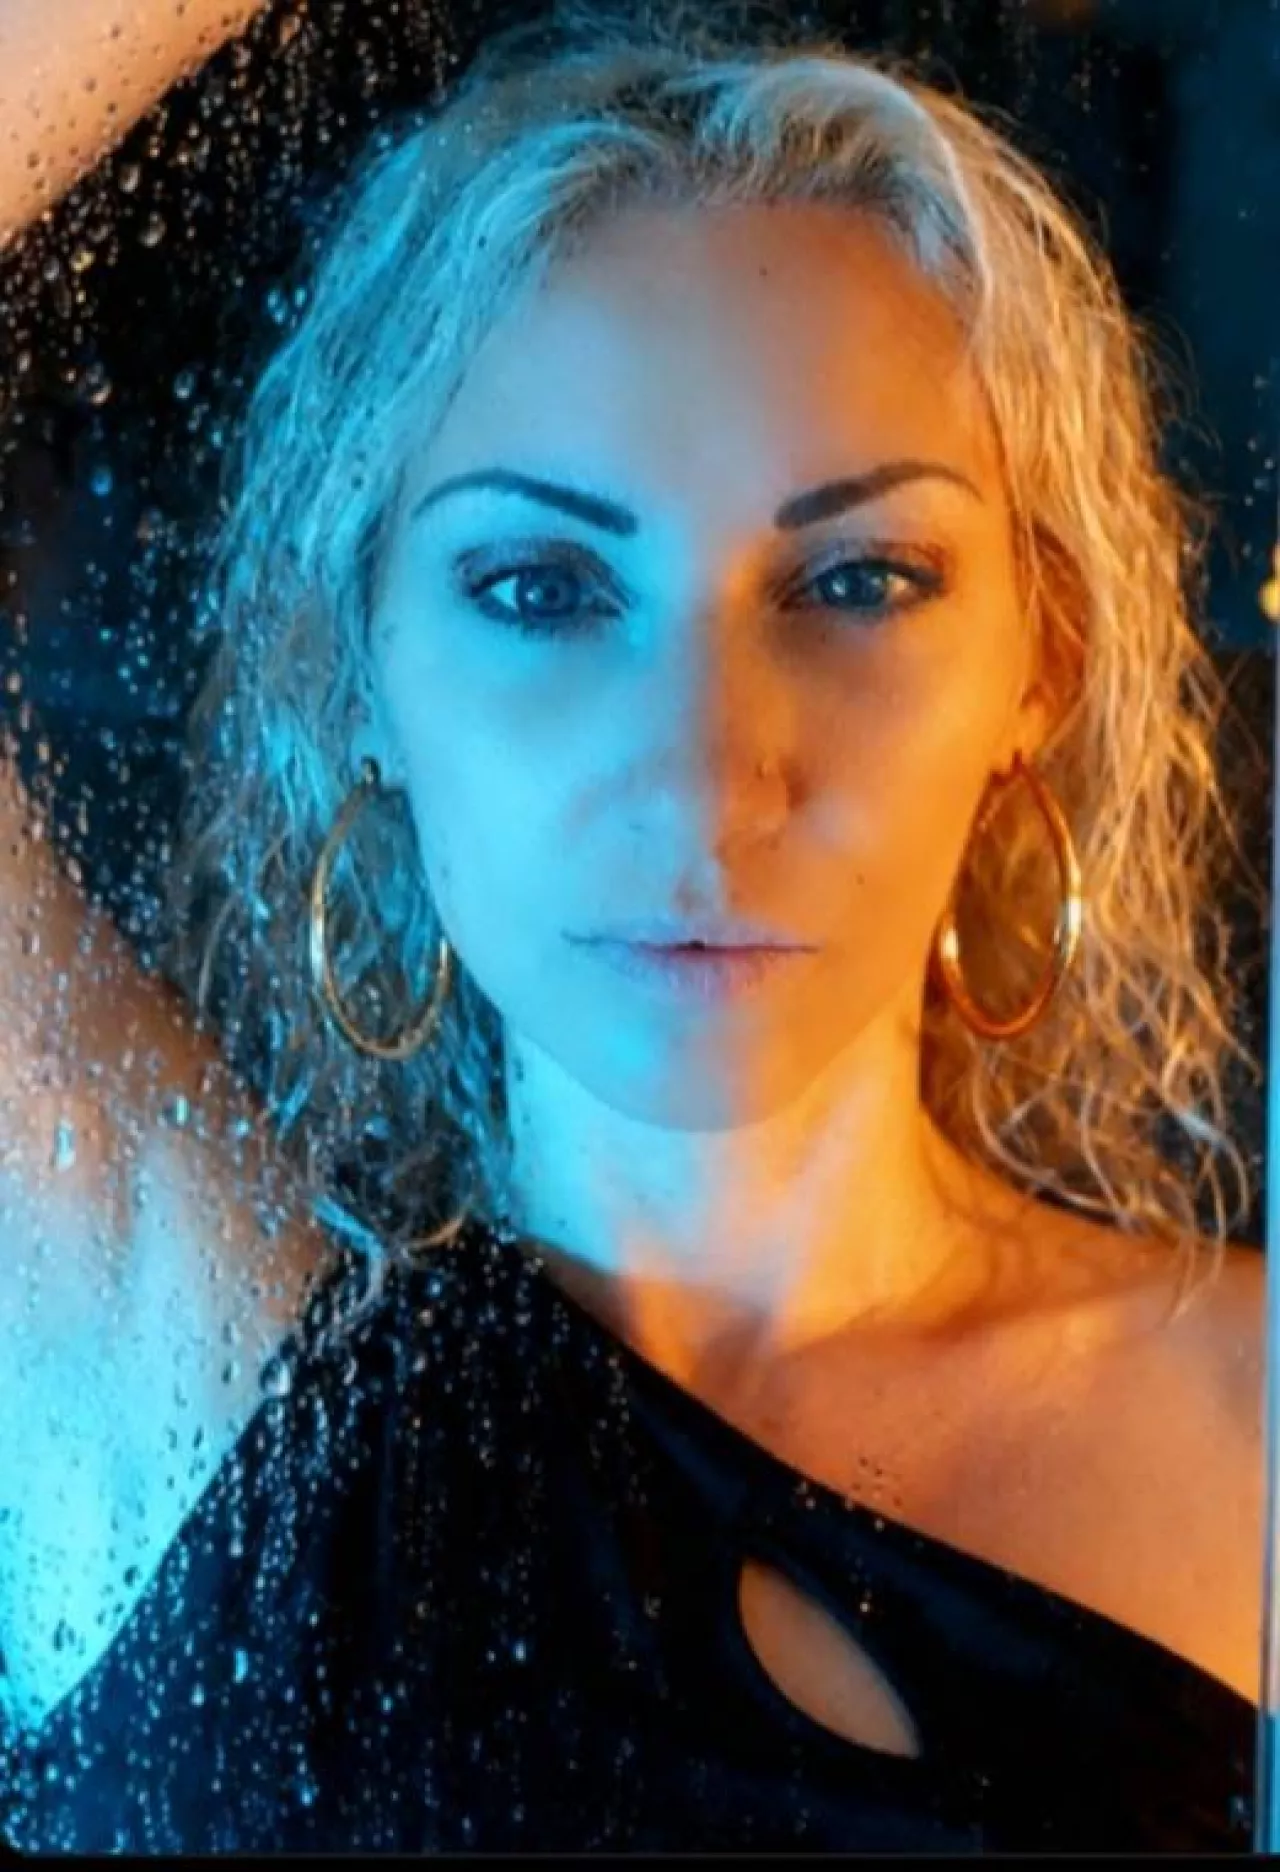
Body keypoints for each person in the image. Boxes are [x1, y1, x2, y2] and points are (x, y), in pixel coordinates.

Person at [0, 0, 1267, 1851]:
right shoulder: (163, 1395)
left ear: (1038, 667)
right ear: (361, 665)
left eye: (858, 580)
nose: (702, 782)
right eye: (540, 587)